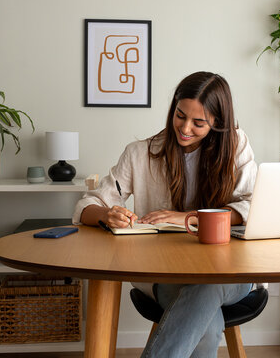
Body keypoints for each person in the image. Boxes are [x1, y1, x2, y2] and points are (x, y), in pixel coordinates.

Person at [73, 71, 258, 358]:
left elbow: (251, 206)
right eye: (180, 115)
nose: (185, 128)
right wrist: (106, 215)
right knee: (207, 323)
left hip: (230, 271)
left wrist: (188, 216)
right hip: (163, 272)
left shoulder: (236, 146)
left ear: (218, 123)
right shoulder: (140, 153)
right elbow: (86, 205)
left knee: (208, 289)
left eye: (198, 123)